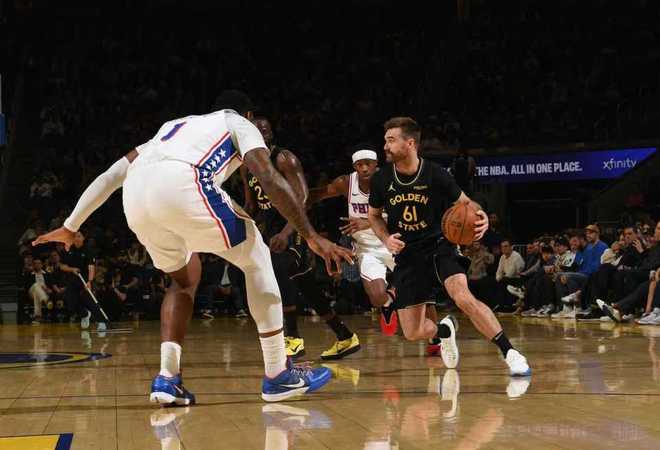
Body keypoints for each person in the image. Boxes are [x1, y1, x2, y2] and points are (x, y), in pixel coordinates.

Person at [33, 90, 353, 405]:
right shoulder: (239, 122)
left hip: (136, 198)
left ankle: (168, 378)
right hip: (184, 183)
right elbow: (267, 176)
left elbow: (112, 175)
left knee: (184, 280)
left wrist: (71, 225)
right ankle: (278, 374)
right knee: (257, 257)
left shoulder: (172, 128)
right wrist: (311, 235)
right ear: (249, 115)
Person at [367, 116, 531, 376]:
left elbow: (467, 204)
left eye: (391, 140)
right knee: (413, 333)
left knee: (463, 296)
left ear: (410, 143)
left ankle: (510, 352)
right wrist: (386, 238)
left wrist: (481, 215)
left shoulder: (436, 174)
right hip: (407, 255)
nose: (385, 146)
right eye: (385, 140)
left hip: (439, 246)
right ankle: (444, 329)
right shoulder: (381, 179)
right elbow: (374, 216)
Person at [241, 117, 359, 360]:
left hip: (293, 227)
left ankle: (293, 338)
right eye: (257, 131)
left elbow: (302, 200)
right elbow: (251, 205)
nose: (262, 134)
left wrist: (286, 233)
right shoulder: (246, 165)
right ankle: (345, 336)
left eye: (265, 131)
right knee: (306, 284)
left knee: (278, 270)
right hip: (270, 229)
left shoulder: (284, 159)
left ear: (271, 134)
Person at [309, 149, 403, 337]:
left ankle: (400, 295)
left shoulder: (391, 181)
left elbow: (402, 214)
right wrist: (288, 196)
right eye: (360, 165)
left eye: (368, 164)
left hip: (393, 242)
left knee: (417, 287)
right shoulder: (346, 183)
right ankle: (388, 302)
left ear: (376, 165)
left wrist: (367, 222)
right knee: (377, 298)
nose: (365, 168)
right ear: (354, 167)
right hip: (367, 248)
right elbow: (317, 194)